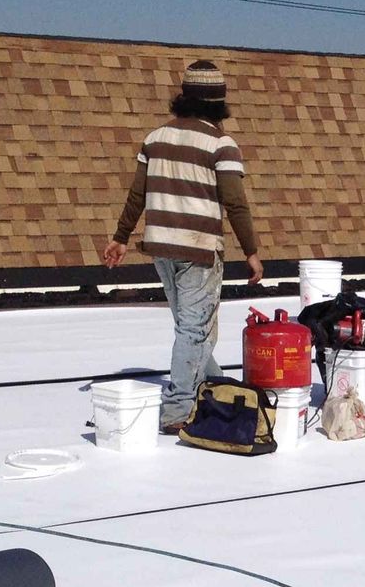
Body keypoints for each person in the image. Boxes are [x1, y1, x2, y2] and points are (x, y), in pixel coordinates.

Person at [102, 60, 264, 433]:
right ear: (219, 104)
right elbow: (235, 203)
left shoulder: (156, 138)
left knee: (191, 325)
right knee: (194, 329)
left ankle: (215, 386)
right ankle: (177, 409)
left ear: (184, 98)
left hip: (161, 245)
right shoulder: (222, 145)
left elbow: (137, 194)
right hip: (199, 250)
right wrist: (251, 252)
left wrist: (121, 237)